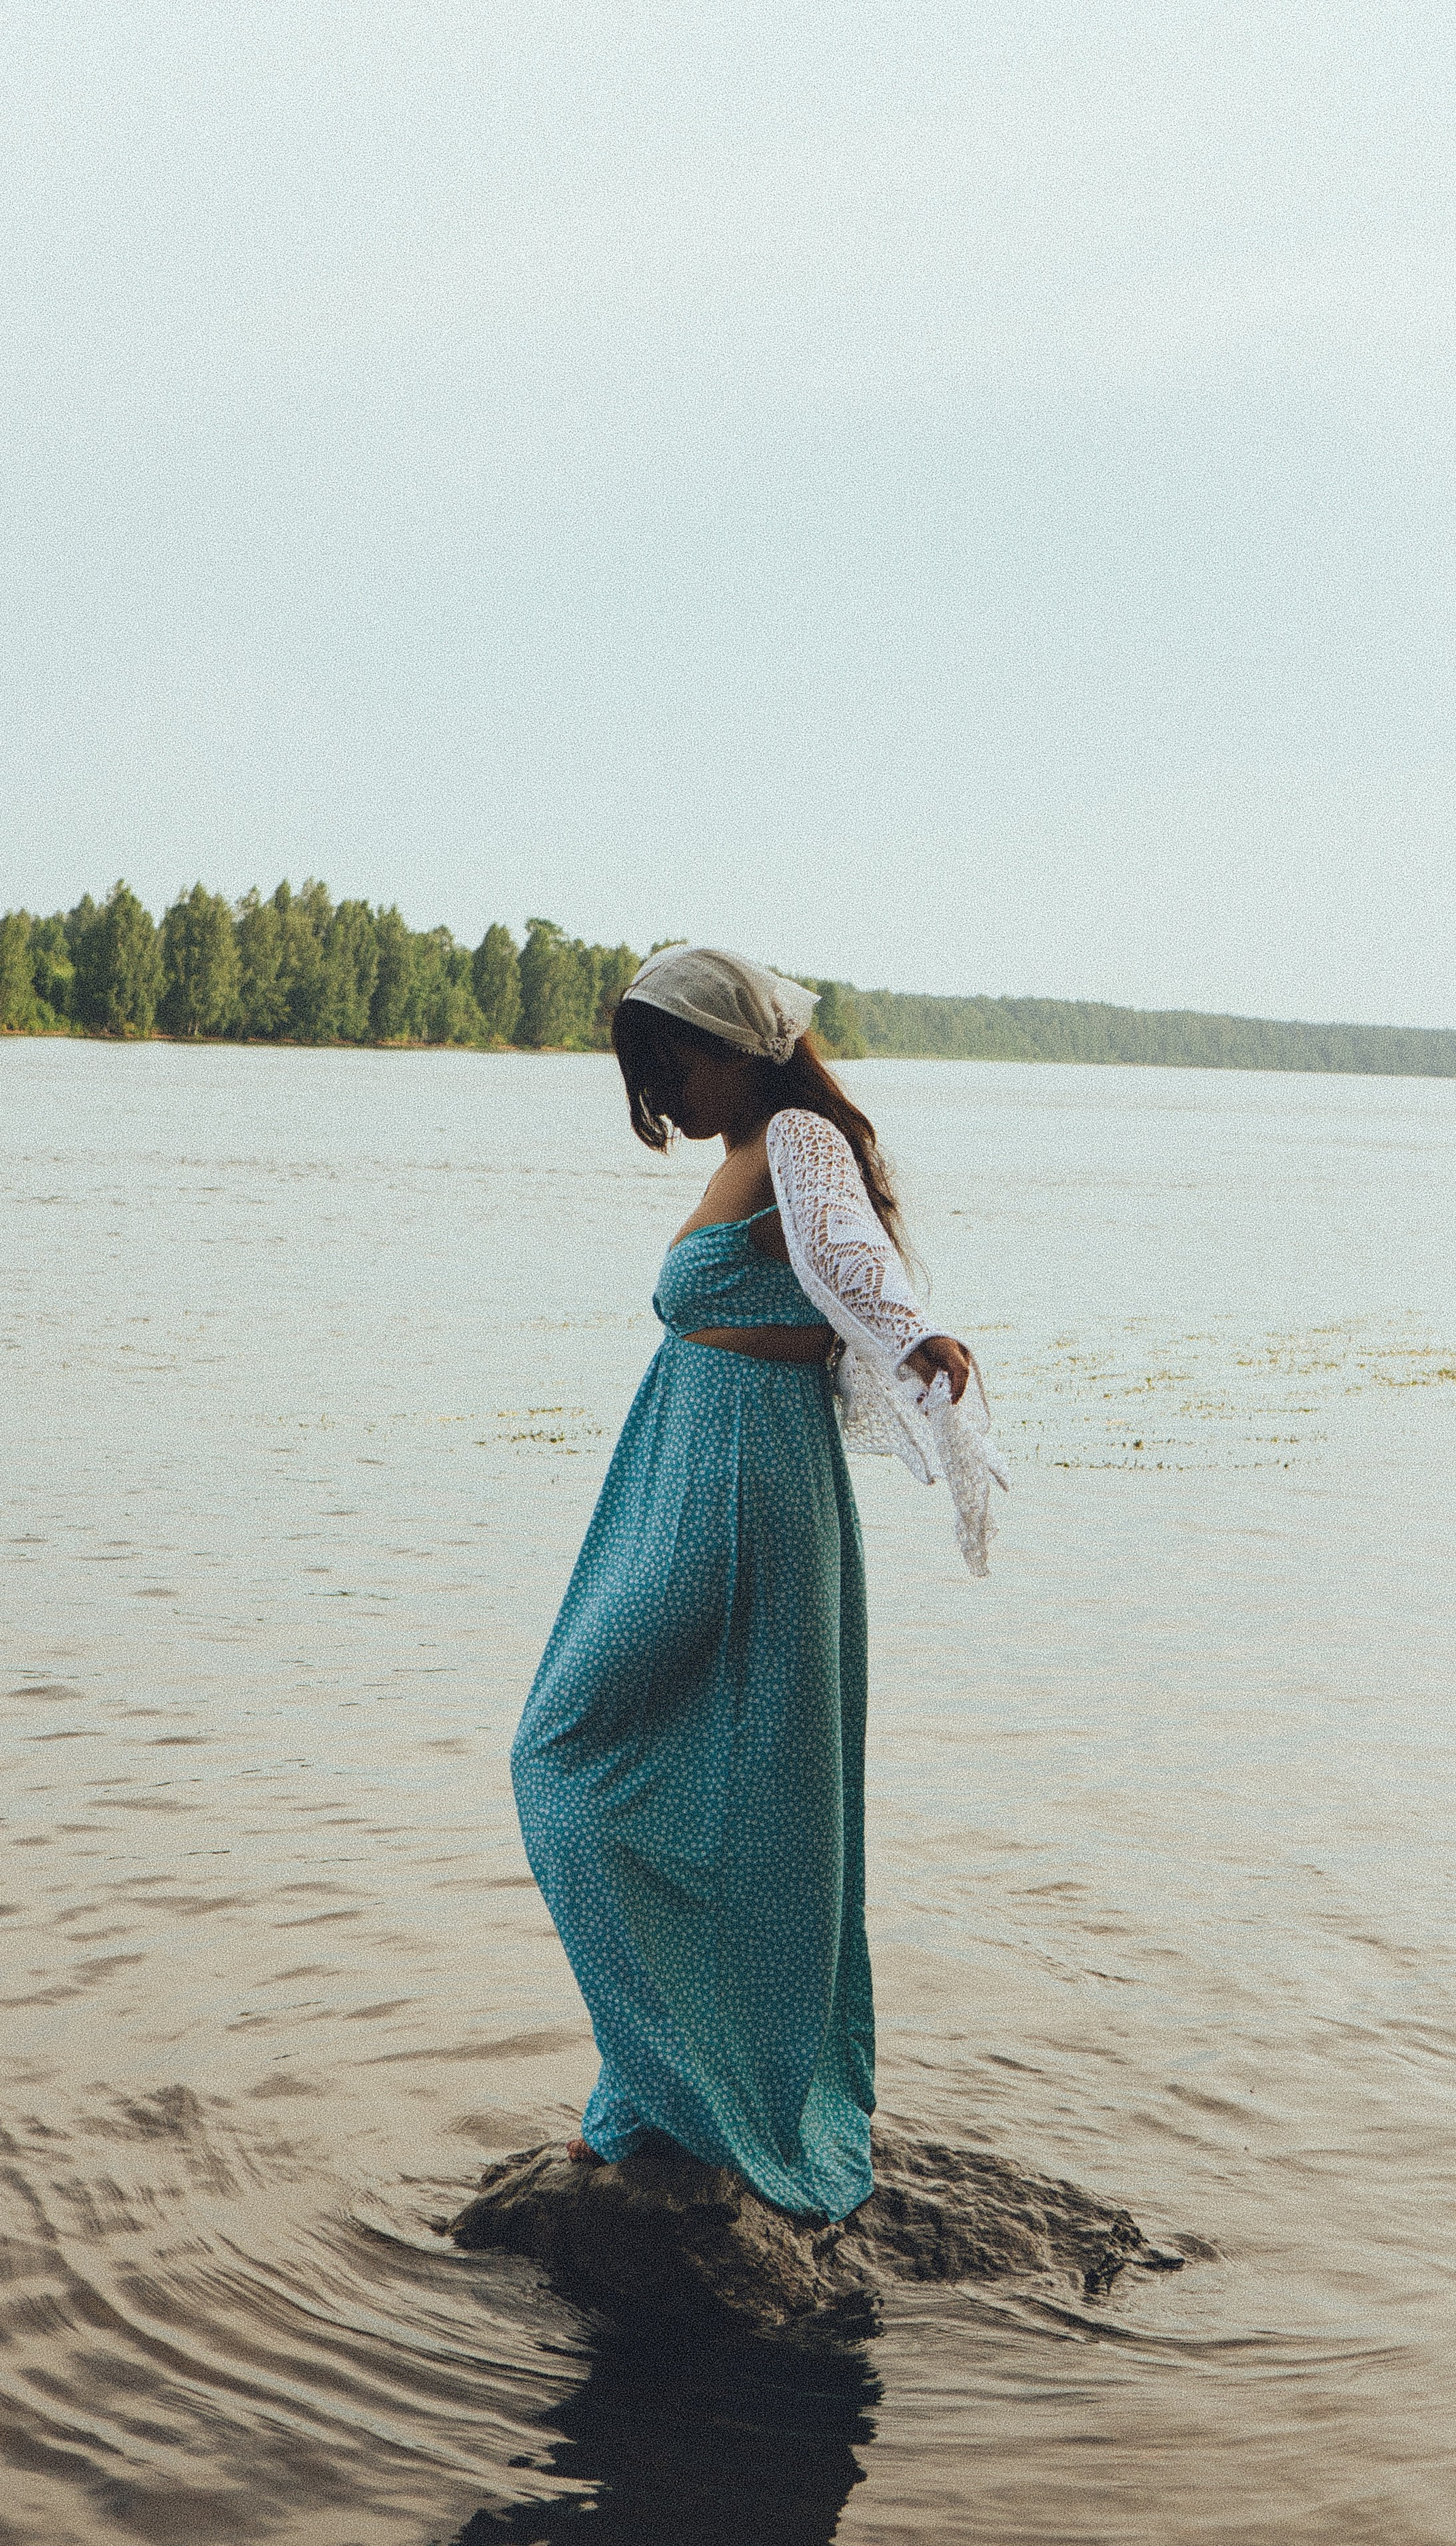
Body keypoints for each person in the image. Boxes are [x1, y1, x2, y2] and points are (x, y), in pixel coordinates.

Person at [510, 944, 995, 2221]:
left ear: (739, 1044)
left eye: (677, 1058)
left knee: (570, 1760)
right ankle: (654, 2090)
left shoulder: (796, 1141)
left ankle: (697, 2100)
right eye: (651, 1068)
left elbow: (852, 1266)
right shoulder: (756, 1148)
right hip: (694, 1473)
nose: (668, 1087)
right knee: (695, 1779)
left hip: (736, 1492)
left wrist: (913, 1340)